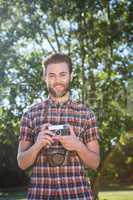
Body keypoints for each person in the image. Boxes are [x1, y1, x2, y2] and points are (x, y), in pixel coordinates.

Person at [17, 53, 100, 200]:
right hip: (39, 195)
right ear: (44, 77)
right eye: (51, 75)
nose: (57, 80)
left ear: (71, 75)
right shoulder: (30, 114)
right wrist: (37, 145)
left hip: (78, 195)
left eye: (62, 74)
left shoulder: (87, 114)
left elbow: (95, 163)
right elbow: (22, 163)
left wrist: (77, 145)